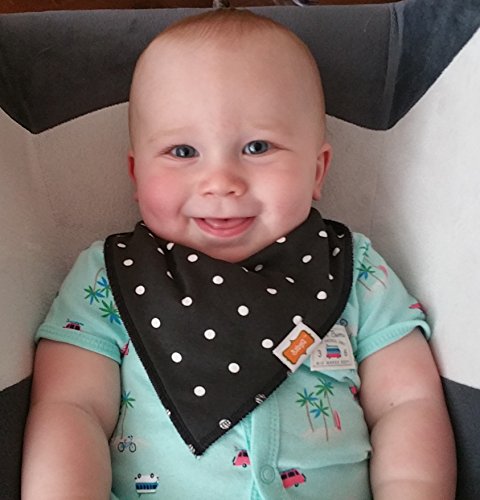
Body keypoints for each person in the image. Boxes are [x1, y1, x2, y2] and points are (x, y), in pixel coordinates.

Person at [22, 8, 456, 500]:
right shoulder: (110, 276)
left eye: (257, 147)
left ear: (317, 171)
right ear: (136, 175)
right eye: (182, 152)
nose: (221, 182)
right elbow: (70, 407)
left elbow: (408, 403)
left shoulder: (352, 268)